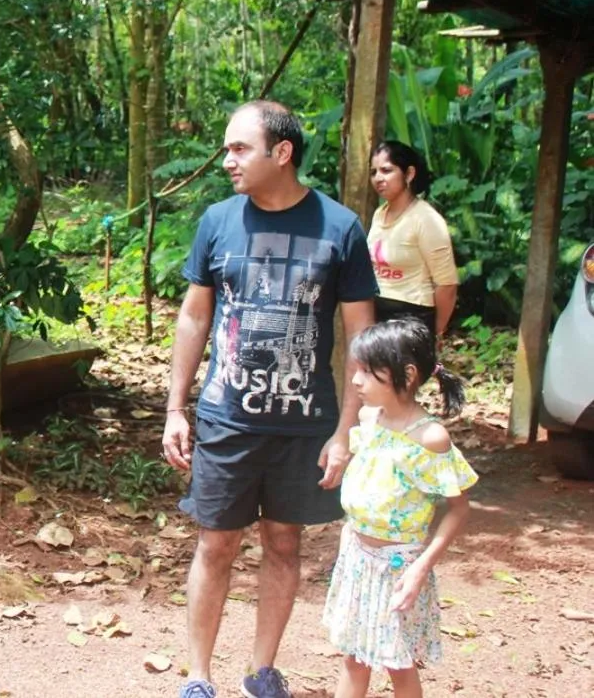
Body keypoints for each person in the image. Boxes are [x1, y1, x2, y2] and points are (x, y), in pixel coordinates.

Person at [163, 101, 378, 698]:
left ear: (281, 153)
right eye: (227, 149)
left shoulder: (340, 228)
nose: (226, 160)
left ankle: (262, 670)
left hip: (307, 421)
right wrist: (175, 408)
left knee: (285, 542)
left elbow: (362, 332)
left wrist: (348, 429)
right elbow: (194, 315)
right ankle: (198, 677)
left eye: (239, 149)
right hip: (226, 415)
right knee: (216, 542)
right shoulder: (217, 221)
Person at [323, 318, 476, 698]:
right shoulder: (369, 419)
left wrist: (421, 567)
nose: (355, 381)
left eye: (366, 372)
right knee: (354, 657)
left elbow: (458, 509)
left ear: (406, 376)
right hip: (357, 560)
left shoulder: (430, 438)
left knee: (398, 662)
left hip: (398, 568)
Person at [367, 141, 459, 339]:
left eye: (386, 170)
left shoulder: (426, 219)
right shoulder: (379, 214)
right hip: (377, 318)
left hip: (412, 321)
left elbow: (447, 285)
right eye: (374, 172)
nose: (378, 178)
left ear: (409, 174)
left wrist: (435, 332)